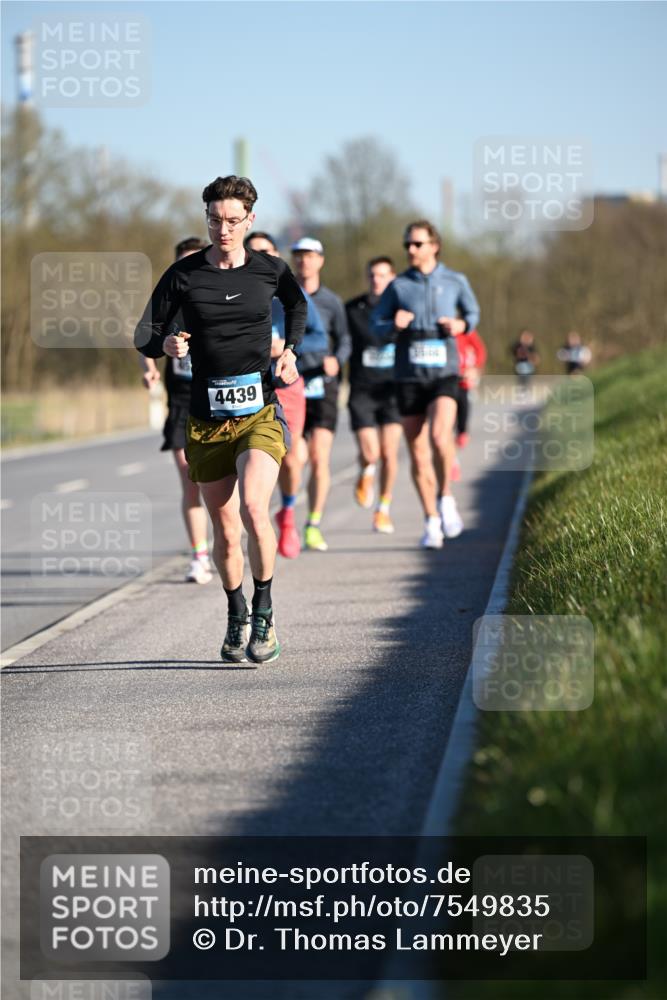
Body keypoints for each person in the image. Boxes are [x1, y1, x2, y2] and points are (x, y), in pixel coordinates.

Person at [135, 175, 307, 664]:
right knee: (226, 530)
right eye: (215, 220)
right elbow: (145, 333)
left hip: (259, 412)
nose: (223, 229)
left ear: (250, 220)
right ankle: (236, 613)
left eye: (233, 221)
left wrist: (291, 351)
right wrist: (165, 345)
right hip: (207, 418)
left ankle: (265, 611)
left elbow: (297, 305)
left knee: (255, 508)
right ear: (206, 219)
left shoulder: (271, 270)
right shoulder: (184, 274)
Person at [372, 220, 480, 548]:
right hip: (408, 376)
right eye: (407, 245)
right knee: (418, 454)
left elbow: (473, 313)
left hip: (444, 373)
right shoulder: (398, 286)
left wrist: (461, 324)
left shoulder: (455, 280)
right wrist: (393, 324)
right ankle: (431, 519)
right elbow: (376, 326)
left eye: (417, 244)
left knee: (438, 436)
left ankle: (446, 497)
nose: (411, 250)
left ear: (435, 245)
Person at [244, 231, 328, 558]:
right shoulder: (234, 294)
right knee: (245, 460)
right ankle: (253, 522)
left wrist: (289, 349)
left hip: (286, 387)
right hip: (244, 387)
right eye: (254, 252)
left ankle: (289, 514)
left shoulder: (290, 294)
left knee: (292, 459)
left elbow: (321, 340)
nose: (260, 258)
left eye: (267, 252)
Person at [138, 237, 213, 584]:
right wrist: (149, 367)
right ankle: (199, 554)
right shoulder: (168, 303)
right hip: (183, 401)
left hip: (218, 398)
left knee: (226, 482)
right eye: (183, 263)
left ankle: (227, 538)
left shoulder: (217, 298)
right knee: (191, 481)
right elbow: (146, 337)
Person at [291, 237, 351, 552]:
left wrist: (336, 360)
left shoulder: (332, 302)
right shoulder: (282, 297)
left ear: (320, 260)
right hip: (292, 384)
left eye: (310, 255)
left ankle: (313, 523)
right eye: (298, 256)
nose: (304, 261)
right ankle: (288, 508)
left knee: (318, 456)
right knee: (294, 458)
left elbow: (345, 341)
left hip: (323, 386)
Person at [346, 256, 402, 534]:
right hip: (362, 390)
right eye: (372, 275)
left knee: (390, 454)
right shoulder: (352, 309)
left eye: (382, 275)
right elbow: (341, 341)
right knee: (371, 453)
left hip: (392, 391)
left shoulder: (402, 311)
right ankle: (366, 472)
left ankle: (383, 509)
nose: (377, 280)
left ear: (392, 278)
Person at [455, 327, 487, 449]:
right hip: (443, 378)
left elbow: (480, 350)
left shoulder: (465, 329)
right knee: (443, 426)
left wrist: (475, 368)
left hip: (463, 378)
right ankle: (450, 460)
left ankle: (462, 432)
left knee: (463, 406)